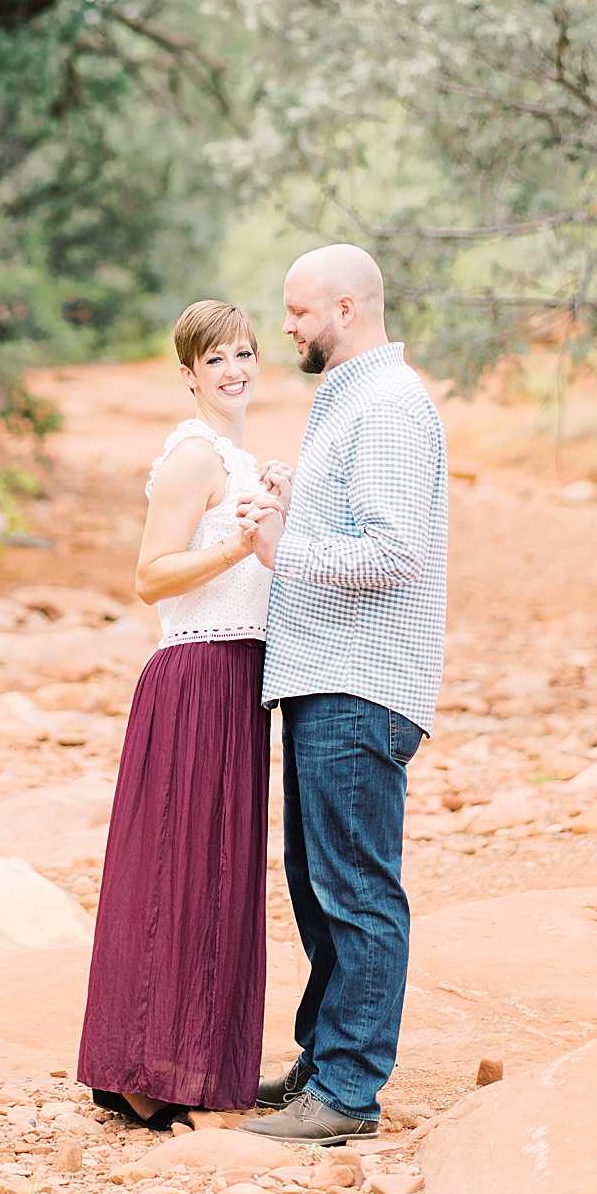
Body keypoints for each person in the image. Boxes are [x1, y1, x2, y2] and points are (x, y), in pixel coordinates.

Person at [235, 243, 447, 1148]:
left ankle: (351, 1090)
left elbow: (395, 552)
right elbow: (358, 523)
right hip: (326, 675)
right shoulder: (351, 400)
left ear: (348, 309)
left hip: (359, 681)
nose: (283, 326)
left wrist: (286, 549)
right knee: (318, 886)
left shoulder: (390, 407)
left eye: (298, 311)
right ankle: (324, 1060)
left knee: (356, 887)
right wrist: (299, 503)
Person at [76, 299, 285, 1126]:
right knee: (177, 869)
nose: (235, 368)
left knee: (220, 871)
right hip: (198, 671)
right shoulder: (193, 456)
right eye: (217, 358)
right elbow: (150, 574)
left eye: (245, 352)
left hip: (241, 677)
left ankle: (191, 1066)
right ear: (189, 373)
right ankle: (151, 1068)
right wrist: (237, 545)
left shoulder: (237, 456)